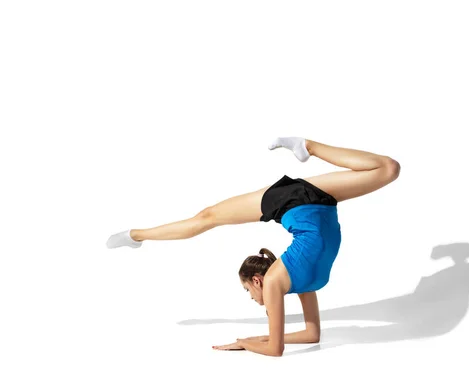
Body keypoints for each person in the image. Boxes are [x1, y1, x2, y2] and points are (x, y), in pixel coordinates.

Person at [106, 136, 401, 356]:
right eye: (248, 291)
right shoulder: (289, 282)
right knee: (389, 168)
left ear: (258, 279)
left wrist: (250, 341)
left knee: (208, 216)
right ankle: (306, 145)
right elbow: (308, 337)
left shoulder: (287, 280)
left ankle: (136, 235)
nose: (251, 297)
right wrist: (256, 340)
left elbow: (277, 347)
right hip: (318, 201)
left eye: (247, 290)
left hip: (291, 203)